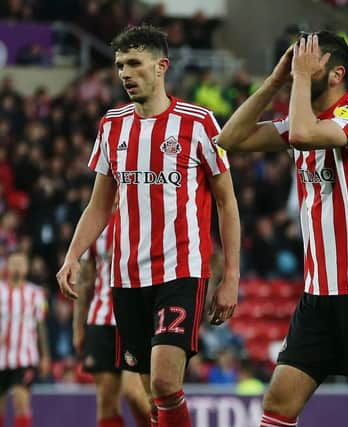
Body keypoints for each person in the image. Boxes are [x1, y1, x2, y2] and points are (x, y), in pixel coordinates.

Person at [217, 31, 348, 427]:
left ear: (336, 72)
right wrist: (276, 80)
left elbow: (306, 136)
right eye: (296, 63)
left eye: (310, 62)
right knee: (278, 402)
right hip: (318, 295)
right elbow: (230, 137)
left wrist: (300, 81)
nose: (299, 70)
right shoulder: (302, 119)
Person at [56, 25, 241, 427]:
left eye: (134, 63)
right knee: (149, 393)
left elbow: (227, 203)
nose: (124, 73)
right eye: (120, 65)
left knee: (162, 381)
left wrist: (231, 277)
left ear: (161, 67)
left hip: (181, 271)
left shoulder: (201, 123)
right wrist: (73, 255)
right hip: (126, 278)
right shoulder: (112, 125)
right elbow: (99, 204)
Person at [73, 213, 151, 427]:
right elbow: (86, 279)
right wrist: (78, 326)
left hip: (135, 318)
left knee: (135, 393)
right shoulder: (97, 222)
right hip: (100, 319)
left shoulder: (147, 215)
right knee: (107, 401)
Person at [0, 252, 50, 427]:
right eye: (13, 263)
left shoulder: (36, 293)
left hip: (25, 357)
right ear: (7, 266)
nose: (17, 266)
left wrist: (45, 356)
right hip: (1, 356)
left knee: (21, 402)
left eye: (21, 263)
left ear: (27, 267)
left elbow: (41, 326)